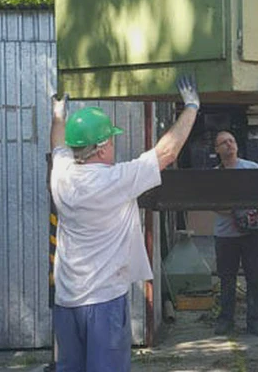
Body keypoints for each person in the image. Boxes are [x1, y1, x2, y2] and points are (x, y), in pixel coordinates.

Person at [49, 75, 201, 372]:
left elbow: (57, 142)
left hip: (66, 301)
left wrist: (58, 114)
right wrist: (192, 106)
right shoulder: (114, 180)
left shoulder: (62, 173)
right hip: (103, 301)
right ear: (103, 146)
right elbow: (167, 152)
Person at [212, 130, 258, 337]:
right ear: (217, 150)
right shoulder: (214, 175)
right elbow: (213, 204)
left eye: (231, 141)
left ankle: (255, 322)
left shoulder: (252, 169)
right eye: (223, 143)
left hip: (252, 235)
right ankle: (226, 320)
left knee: (254, 279)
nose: (229, 145)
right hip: (226, 236)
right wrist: (236, 210)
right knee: (227, 280)